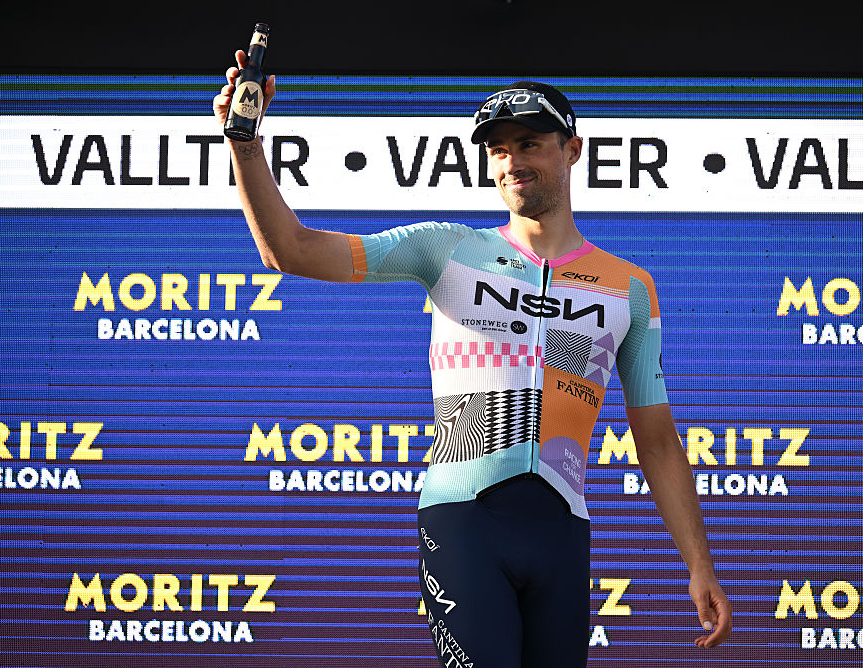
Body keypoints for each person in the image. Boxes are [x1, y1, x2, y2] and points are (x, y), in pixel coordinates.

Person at [214, 50, 732, 667]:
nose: (513, 161)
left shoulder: (628, 287)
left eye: (530, 142)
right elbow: (292, 251)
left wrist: (699, 562)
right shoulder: (447, 250)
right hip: (464, 517)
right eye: (498, 149)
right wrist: (245, 146)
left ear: (572, 150)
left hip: (563, 530)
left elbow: (659, 440)